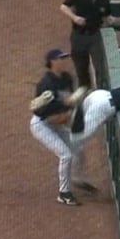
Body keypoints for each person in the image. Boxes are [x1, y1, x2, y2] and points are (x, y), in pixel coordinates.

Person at [28, 49, 89, 206]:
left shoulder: (67, 78)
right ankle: (64, 193)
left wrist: (71, 104)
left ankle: (78, 178)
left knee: (78, 148)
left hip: (58, 121)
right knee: (65, 155)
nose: (65, 60)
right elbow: (48, 115)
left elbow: (69, 102)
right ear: (53, 62)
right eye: (61, 58)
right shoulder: (45, 84)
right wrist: (66, 109)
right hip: (42, 124)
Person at [59, 0, 114, 90]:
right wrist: (74, 17)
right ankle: (84, 92)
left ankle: (100, 91)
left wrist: (109, 19)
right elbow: (63, 6)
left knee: (100, 66)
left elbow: (106, 15)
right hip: (79, 35)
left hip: (94, 35)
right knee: (81, 68)